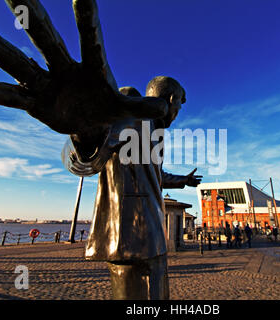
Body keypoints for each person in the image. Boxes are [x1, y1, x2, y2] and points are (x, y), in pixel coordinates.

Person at [62, 78, 202, 299]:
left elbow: (156, 175)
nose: (178, 111)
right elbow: (85, 163)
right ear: (172, 99)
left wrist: (183, 180)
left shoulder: (156, 132)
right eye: (180, 105)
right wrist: (83, 134)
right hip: (126, 234)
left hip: (153, 234)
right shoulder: (131, 112)